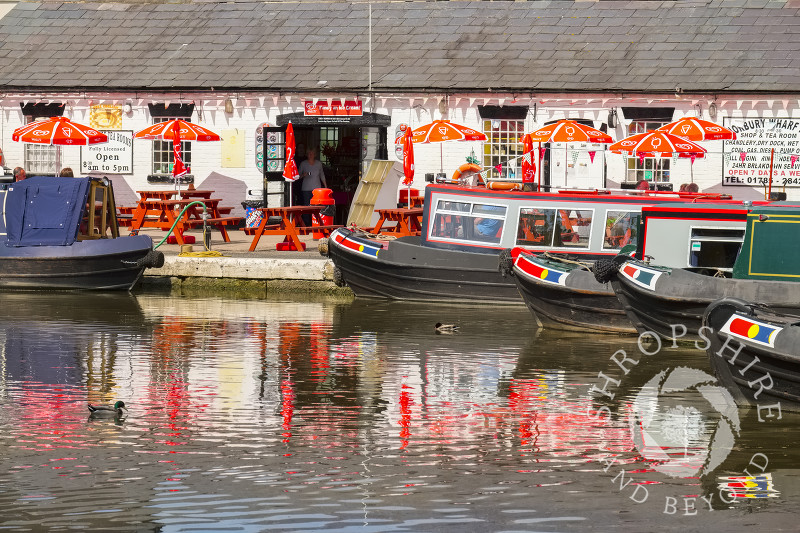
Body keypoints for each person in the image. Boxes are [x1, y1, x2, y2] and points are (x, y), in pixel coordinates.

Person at [298, 149, 327, 225]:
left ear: (315, 155)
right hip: (306, 189)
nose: (310, 155)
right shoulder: (303, 164)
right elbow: (297, 176)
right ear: (307, 155)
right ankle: (307, 225)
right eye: (309, 153)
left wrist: (326, 187)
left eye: (312, 153)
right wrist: (303, 175)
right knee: (307, 207)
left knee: (317, 207)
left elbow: (322, 175)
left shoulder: (319, 164)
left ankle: (316, 223)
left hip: (317, 189)